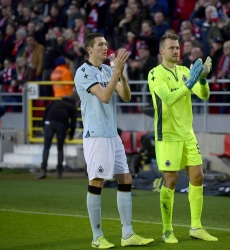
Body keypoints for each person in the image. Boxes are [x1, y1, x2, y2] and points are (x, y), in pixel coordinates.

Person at [74, 33, 154, 249]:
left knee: (126, 178)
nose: (105, 47)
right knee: (97, 181)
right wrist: (117, 71)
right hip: (96, 136)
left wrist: (122, 75)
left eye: (106, 44)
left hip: (112, 135)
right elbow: (105, 96)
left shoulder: (108, 70)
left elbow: (126, 96)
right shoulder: (83, 72)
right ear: (89, 49)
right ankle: (97, 237)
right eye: (100, 44)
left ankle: (127, 234)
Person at [147, 33, 218, 244]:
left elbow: (204, 95)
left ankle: (196, 227)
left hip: (187, 133)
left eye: (177, 47)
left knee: (198, 176)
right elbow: (167, 99)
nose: (176, 51)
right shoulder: (155, 74)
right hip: (167, 134)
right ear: (162, 51)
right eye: (171, 48)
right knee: (171, 180)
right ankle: (167, 230)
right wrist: (188, 86)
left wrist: (203, 79)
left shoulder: (186, 71)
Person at [38, 93, 78, 179]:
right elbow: (73, 122)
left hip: (49, 122)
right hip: (62, 125)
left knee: (46, 148)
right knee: (60, 148)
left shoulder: (56, 101)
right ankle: (59, 172)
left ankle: (43, 170)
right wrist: (71, 134)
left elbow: (46, 111)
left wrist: (42, 125)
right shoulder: (72, 107)